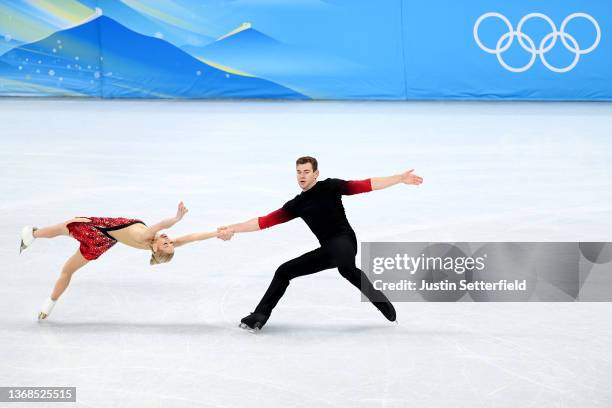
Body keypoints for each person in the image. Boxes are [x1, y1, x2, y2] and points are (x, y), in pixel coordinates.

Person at [217, 156, 423, 331]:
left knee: (344, 267)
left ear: (316, 173)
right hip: (329, 249)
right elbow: (264, 221)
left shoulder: (331, 186)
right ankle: (259, 316)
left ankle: (380, 301)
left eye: (306, 171)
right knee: (288, 271)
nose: (302, 176)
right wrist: (233, 227)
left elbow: (365, 185)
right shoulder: (297, 204)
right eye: (299, 172)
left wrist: (399, 179)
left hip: (344, 242)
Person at [20, 202, 220, 320]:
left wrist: (177, 219)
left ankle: (32, 233)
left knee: (62, 228)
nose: (169, 240)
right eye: (169, 242)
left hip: (97, 230)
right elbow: (193, 238)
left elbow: (160, 224)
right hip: (103, 242)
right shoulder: (152, 244)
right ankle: (49, 306)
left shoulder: (145, 237)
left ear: (157, 248)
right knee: (68, 270)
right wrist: (216, 233)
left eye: (166, 243)